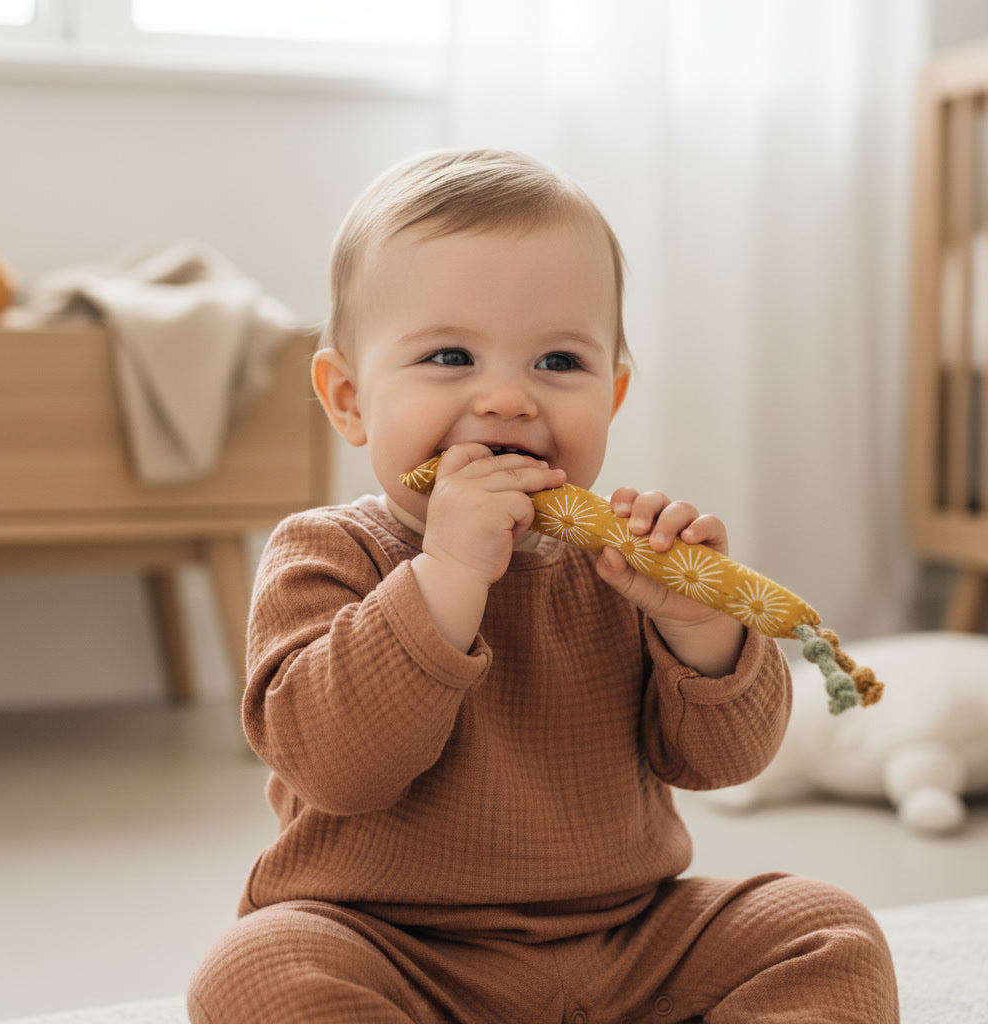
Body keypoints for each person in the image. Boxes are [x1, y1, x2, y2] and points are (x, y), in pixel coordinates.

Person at [188, 148, 898, 1023]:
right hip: (395, 949)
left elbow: (725, 761)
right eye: (449, 355)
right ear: (348, 399)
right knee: (257, 970)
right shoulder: (322, 554)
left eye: (559, 363)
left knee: (823, 927)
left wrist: (701, 634)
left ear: (614, 394)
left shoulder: (623, 566)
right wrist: (447, 575)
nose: (509, 399)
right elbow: (339, 768)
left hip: (627, 942)